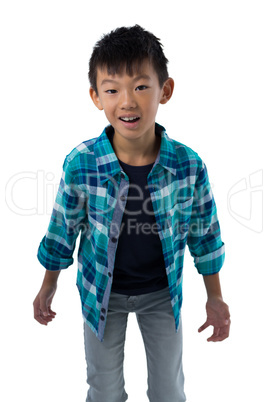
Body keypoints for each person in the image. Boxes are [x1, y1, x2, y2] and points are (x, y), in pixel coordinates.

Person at [33, 25, 230, 402]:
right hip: (101, 293)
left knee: (169, 391)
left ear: (165, 90)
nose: (127, 101)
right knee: (104, 391)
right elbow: (63, 230)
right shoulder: (82, 163)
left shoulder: (187, 165)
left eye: (141, 87)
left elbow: (205, 235)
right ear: (96, 97)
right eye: (112, 89)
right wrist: (48, 284)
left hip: (161, 293)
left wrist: (215, 297)